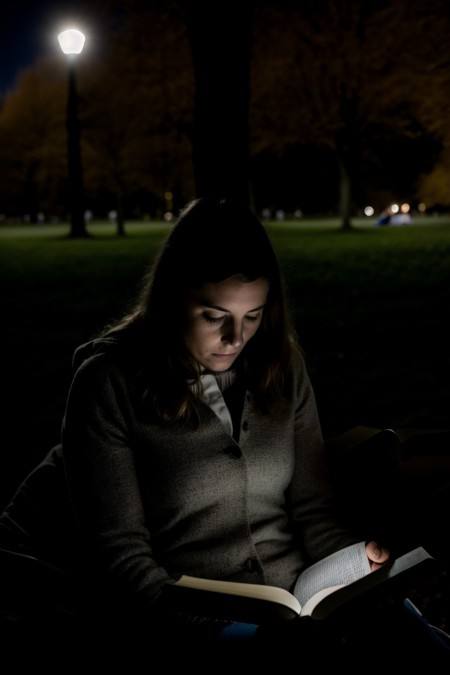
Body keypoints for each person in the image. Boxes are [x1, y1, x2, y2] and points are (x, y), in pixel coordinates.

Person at [0, 198, 448, 665]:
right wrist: (231, 637)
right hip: (193, 626)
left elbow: (313, 510)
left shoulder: (281, 366)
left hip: (301, 603)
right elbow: (121, 560)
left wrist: (357, 560)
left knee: (414, 642)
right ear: (172, 298)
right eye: (214, 317)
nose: (236, 338)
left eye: (252, 316)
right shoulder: (109, 383)